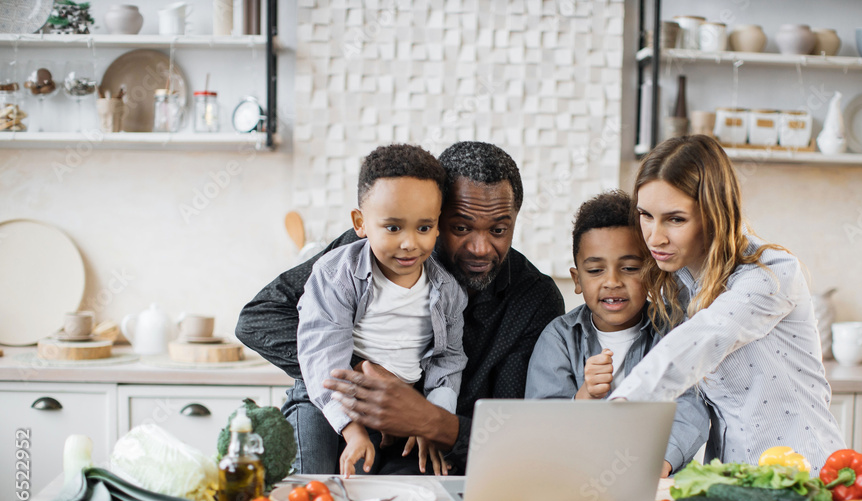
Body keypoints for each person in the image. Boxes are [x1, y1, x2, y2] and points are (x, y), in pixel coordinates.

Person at [236, 141, 565, 476]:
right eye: (461, 227)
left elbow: (511, 434)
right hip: (339, 434)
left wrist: (429, 419)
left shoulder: (533, 299)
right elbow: (261, 318)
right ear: (436, 214)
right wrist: (370, 373)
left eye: (498, 229)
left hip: (434, 461)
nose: (480, 248)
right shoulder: (372, 248)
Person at [609, 135, 843, 473]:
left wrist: (620, 409)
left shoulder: (771, 275)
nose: (655, 237)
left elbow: (704, 338)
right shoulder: (678, 282)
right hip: (734, 478)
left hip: (806, 473)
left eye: (675, 219)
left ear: (714, 214)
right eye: (646, 215)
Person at [297, 144, 467, 478]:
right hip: (325, 399)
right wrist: (353, 430)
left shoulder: (447, 292)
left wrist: (430, 419)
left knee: (412, 488)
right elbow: (322, 353)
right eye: (392, 228)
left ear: (437, 225)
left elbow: (447, 361)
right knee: (312, 478)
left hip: (398, 409)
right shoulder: (336, 274)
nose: (409, 243)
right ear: (360, 223)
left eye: (423, 227)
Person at [525, 190, 710, 476]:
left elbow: (691, 408)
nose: (612, 282)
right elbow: (541, 427)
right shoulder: (558, 338)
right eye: (596, 270)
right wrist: (586, 395)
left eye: (629, 268)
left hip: (655, 479)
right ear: (578, 280)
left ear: (651, 271)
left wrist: (657, 466)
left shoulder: (673, 331)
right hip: (575, 476)